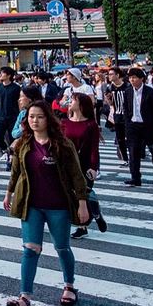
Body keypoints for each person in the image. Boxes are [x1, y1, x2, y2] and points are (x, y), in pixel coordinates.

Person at [3, 101, 89, 306]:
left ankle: (69, 286)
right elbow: (16, 171)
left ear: (48, 119)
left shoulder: (62, 144)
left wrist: (82, 203)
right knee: (30, 249)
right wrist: (9, 193)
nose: (35, 120)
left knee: (62, 247)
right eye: (31, 116)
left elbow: (77, 175)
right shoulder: (23, 143)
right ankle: (25, 298)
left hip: (58, 205)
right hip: (31, 204)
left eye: (39, 116)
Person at [62, 93, 107, 239]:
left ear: (81, 104)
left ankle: (87, 221)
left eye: (73, 100)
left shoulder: (91, 125)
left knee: (84, 193)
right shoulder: (65, 122)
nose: (70, 102)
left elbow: (94, 148)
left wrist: (94, 167)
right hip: (68, 164)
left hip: (85, 163)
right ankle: (91, 216)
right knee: (72, 194)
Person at [123, 68, 153, 186]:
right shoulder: (128, 91)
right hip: (133, 125)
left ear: (142, 78)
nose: (132, 80)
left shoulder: (151, 92)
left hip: (149, 126)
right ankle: (135, 177)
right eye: (130, 78)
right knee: (133, 152)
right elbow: (126, 110)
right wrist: (128, 126)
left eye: (135, 77)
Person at [0, 67, 22, 153]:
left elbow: (19, 102)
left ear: (9, 75)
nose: (0, 74)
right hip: (0, 116)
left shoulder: (16, 88)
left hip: (12, 117)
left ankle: (13, 155)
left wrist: (21, 115)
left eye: (3, 73)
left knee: (13, 138)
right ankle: (6, 150)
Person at [105, 67, 131, 167]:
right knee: (120, 139)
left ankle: (133, 157)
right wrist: (108, 99)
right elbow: (110, 104)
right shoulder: (110, 87)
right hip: (117, 116)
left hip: (128, 116)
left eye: (111, 74)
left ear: (118, 75)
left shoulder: (127, 86)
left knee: (130, 138)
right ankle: (125, 159)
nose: (109, 76)